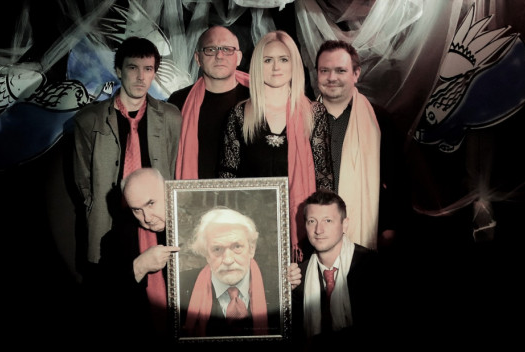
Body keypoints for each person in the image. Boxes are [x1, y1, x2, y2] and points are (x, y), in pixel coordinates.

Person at [73, 36, 181, 287]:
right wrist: (100, 207)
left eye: (148, 69)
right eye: (133, 68)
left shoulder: (171, 117)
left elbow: (174, 166)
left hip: (157, 220)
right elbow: (83, 180)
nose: (141, 77)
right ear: (119, 70)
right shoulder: (88, 120)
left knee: (161, 292)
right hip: (112, 221)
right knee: (114, 292)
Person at [218, 30, 333, 263]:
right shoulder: (239, 115)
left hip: (302, 229)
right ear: (257, 66)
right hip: (250, 231)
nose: (276, 67)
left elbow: (324, 177)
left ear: (294, 64)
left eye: (283, 59)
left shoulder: (314, 113)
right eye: (268, 60)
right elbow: (227, 177)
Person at [288, 189, 380, 352]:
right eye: (312, 221)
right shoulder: (297, 276)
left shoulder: (372, 266)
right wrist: (284, 292)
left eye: (328, 220)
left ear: (344, 224)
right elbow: (293, 339)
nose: (319, 230)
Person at [315, 39, 401, 251]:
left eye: (340, 70)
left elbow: (396, 179)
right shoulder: (302, 119)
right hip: (313, 231)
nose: (332, 77)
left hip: (366, 233)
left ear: (356, 74)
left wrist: (389, 226)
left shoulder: (380, 120)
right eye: (325, 70)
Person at [98, 167, 180, 334]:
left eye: (151, 203)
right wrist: (139, 267)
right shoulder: (115, 240)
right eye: (137, 210)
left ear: (168, 191)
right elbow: (104, 300)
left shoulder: (199, 226)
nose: (147, 218)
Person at [179, 207, 277, 338]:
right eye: (217, 249)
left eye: (237, 247)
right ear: (207, 255)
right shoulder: (180, 287)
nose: (228, 260)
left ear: (251, 249)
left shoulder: (279, 285)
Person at [168, 25, 250, 179]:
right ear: (198, 58)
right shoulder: (179, 101)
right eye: (211, 49)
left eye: (227, 49)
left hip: (250, 191)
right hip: (195, 191)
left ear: (238, 57)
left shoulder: (257, 98)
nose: (219, 55)